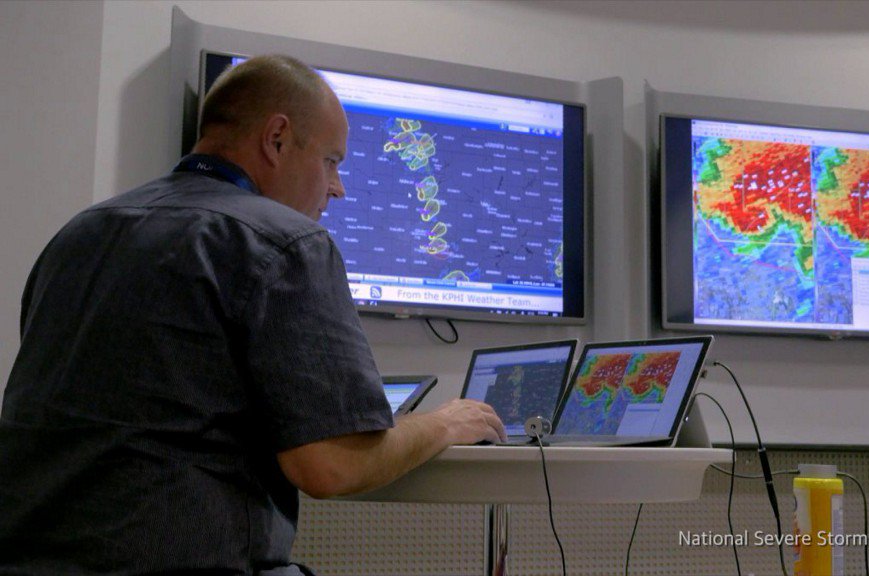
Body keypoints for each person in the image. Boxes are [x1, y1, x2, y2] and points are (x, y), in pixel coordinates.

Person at [0, 54, 506, 575]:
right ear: (277, 139)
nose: (337, 187)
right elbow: (332, 464)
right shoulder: (285, 243)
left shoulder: (79, 234)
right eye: (331, 161)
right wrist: (443, 423)